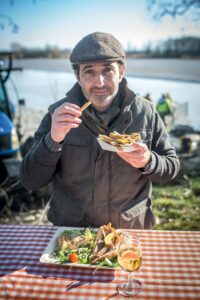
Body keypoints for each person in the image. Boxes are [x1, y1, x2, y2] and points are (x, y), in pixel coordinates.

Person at [20, 32, 180, 229]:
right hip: (72, 233)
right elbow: (30, 179)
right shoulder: (57, 115)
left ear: (121, 72)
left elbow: (171, 168)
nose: (100, 82)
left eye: (107, 70)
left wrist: (148, 161)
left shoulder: (146, 112)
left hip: (130, 232)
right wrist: (53, 139)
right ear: (77, 75)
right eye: (89, 71)